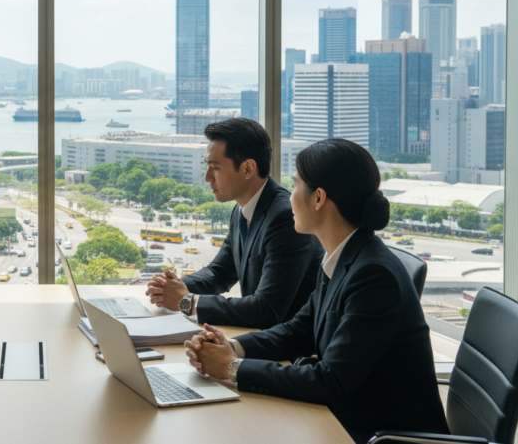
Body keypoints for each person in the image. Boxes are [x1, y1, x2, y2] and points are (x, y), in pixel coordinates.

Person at [184, 139, 449, 444]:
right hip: (345, 419)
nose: (289, 196)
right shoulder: (344, 255)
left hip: (379, 435)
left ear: (319, 198)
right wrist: (233, 347)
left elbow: (329, 381)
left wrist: (232, 368)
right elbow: (299, 330)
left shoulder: (374, 276)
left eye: (295, 185)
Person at [145, 117, 322, 329]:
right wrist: (171, 287)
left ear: (248, 169)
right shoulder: (242, 209)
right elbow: (220, 272)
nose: (207, 177)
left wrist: (187, 302)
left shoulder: (285, 218)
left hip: (290, 351)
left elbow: (266, 309)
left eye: (215, 167)